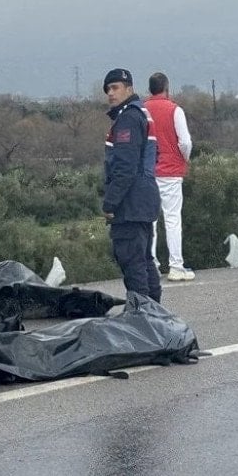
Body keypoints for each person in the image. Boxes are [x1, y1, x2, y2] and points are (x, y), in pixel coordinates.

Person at [102, 68, 163, 302]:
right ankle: (155, 311)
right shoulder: (143, 113)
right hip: (146, 197)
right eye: (108, 89)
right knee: (144, 259)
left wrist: (110, 202)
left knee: (132, 260)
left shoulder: (127, 118)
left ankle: (141, 312)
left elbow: (125, 167)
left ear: (129, 89)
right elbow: (154, 154)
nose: (110, 93)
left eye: (115, 87)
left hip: (131, 202)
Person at [144, 72, 195, 281]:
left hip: (148, 171)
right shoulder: (175, 110)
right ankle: (176, 266)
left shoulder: (141, 110)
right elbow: (185, 142)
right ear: (166, 88)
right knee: (172, 218)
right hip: (171, 171)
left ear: (150, 89)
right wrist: (184, 159)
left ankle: (151, 267)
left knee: (150, 221)